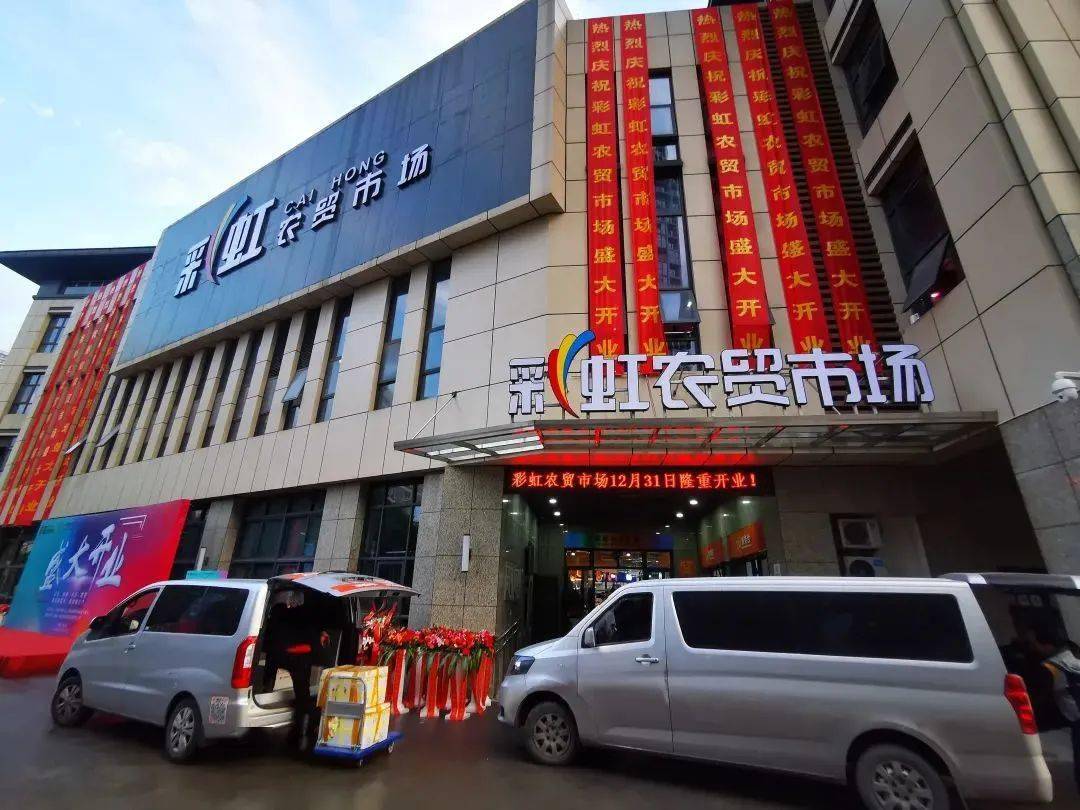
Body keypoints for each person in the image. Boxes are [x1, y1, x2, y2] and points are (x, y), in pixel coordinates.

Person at [264, 590, 330, 751]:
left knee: (302, 695)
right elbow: (314, 638)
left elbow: (271, 641)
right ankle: (307, 725)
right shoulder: (308, 616)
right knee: (302, 694)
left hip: (284, 656)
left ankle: (300, 727)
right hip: (302, 658)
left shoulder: (280, 615)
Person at [1030, 623, 1080, 792]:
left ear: (1047, 645)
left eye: (1035, 643)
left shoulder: (1051, 667)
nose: (1034, 647)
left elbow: (1040, 697)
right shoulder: (1074, 655)